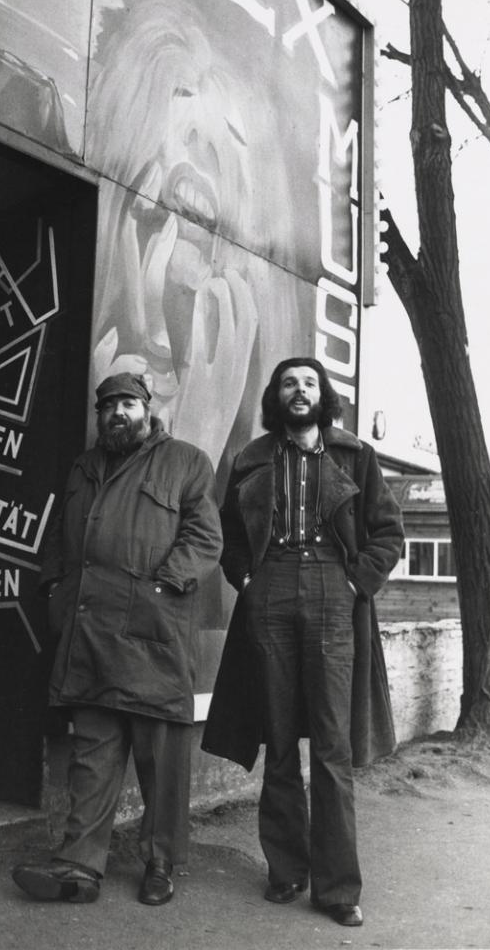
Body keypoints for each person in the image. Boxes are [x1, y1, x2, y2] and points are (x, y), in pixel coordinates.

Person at [202, 357, 404, 929]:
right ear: (276, 396)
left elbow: (389, 532)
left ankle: (338, 889)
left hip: (333, 593)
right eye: (289, 383)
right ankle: (286, 871)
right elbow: (226, 536)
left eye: (309, 382)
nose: (299, 390)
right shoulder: (252, 459)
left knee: (333, 747)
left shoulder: (355, 456)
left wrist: (353, 580)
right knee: (280, 737)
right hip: (270, 589)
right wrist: (246, 579)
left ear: (323, 395)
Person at [12, 371, 222, 906]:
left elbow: (204, 537)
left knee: (161, 765)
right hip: (91, 638)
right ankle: (78, 868)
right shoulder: (83, 468)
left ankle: (161, 864)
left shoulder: (186, 462)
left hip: (153, 639)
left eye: (127, 403)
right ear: (99, 416)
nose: (117, 413)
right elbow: (60, 537)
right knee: (93, 759)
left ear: (147, 409)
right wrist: (57, 589)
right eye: (108, 406)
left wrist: (163, 586)